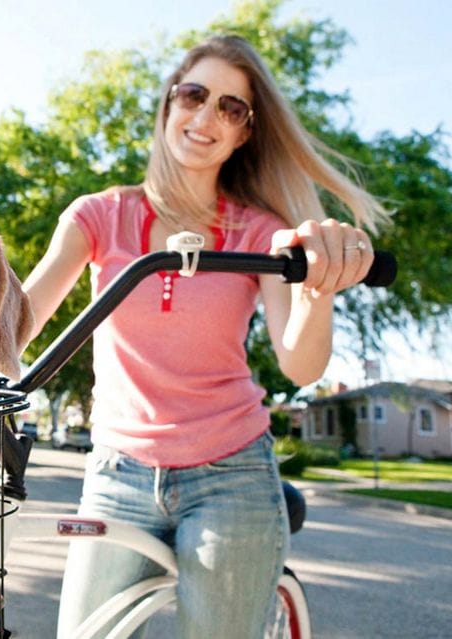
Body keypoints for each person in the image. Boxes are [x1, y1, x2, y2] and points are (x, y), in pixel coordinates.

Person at [21, 34, 389, 638]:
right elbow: (16, 322)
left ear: (244, 133)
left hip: (231, 475)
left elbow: (299, 363)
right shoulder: (99, 216)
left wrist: (317, 290)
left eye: (230, 107)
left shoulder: (259, 233)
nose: (206, 116)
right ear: (168, 105)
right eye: (194, 95)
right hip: (118, 473)